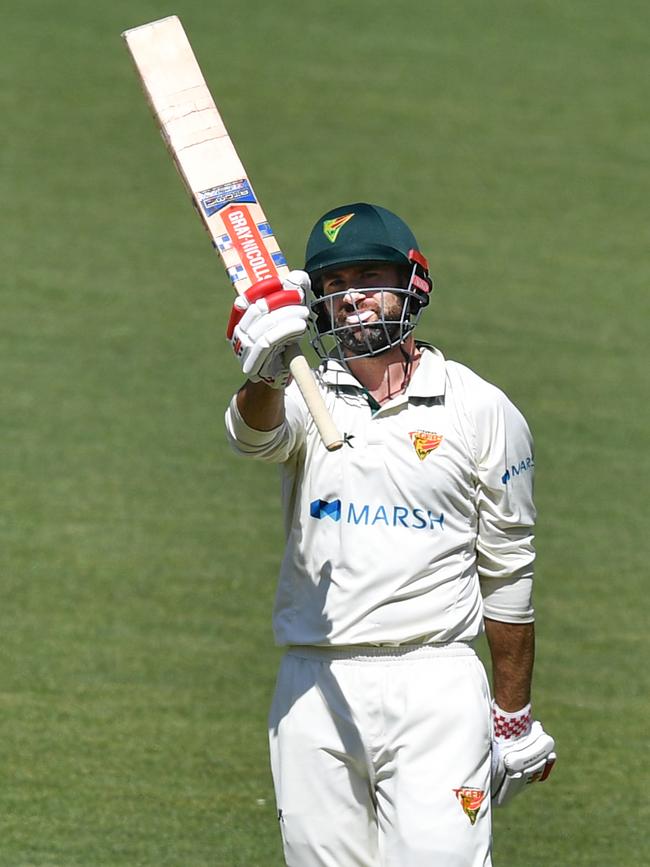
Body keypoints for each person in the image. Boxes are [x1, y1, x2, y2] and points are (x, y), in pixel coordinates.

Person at [224, 203, 556, 867]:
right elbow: (251, 436)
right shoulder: (301, 392)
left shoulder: (480, 409)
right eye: (336, 284)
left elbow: (509, 571)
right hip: (315, 678)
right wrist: (262, 368)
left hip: (434, 677)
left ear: (416, 283)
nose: (352, 298)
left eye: (370, 276)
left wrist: (511, 714)